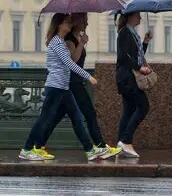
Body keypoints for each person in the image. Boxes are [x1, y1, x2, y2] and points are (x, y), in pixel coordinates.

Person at [19, 13, 110, 161]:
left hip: (63, 87)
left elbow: (70, 60)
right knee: (44, 119)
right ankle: (27, 149)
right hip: (55, 87)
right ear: (59, 25)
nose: (70, 24)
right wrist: (88, 76)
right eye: (67, 22)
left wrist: (81, 43)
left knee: (76, 117)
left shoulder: (61, 41)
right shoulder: (56, 42)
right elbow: (69, 63)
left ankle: (89, 150)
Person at [38, 13, 122, 159]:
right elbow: (72, 61)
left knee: (57, 117)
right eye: (84, 21)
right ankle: (99, 146)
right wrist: (87, 73)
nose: (87, 24)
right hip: (72, 83)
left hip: (70, 83)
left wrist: (82, 42)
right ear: (77, 22)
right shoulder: (69, 40)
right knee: (88, 113)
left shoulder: (73, 38)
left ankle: (38, 145)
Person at [115, 11, 153, 158]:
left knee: (128, 110)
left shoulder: (131, 33)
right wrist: (139, 68)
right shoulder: (125, 33)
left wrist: (145, 42)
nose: (140, 18)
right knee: (143, 106)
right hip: (127, 78)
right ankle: (126, 141)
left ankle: (121, 146)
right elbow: (123, 57)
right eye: (138, 15)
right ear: (130, 16)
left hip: (127, 78)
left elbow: (137, 56)